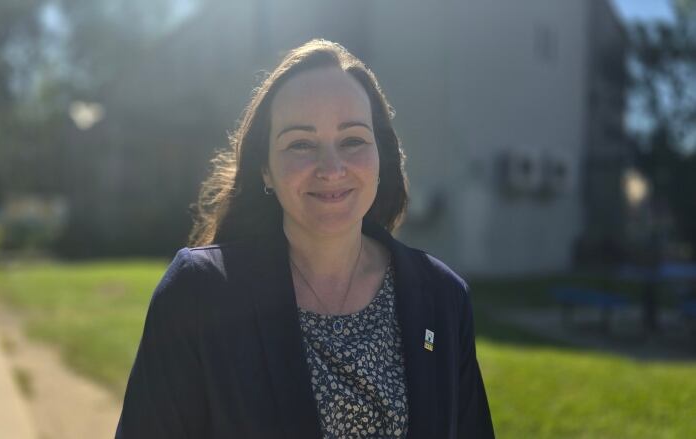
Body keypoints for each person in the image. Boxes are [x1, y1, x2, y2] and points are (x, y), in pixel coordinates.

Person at [116, 39, 494, 439]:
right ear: (265, 169)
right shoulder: (198, 293)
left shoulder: (444, 298)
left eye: (352, 140)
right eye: (300, 144)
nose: (331, 169)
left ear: (381, 156)